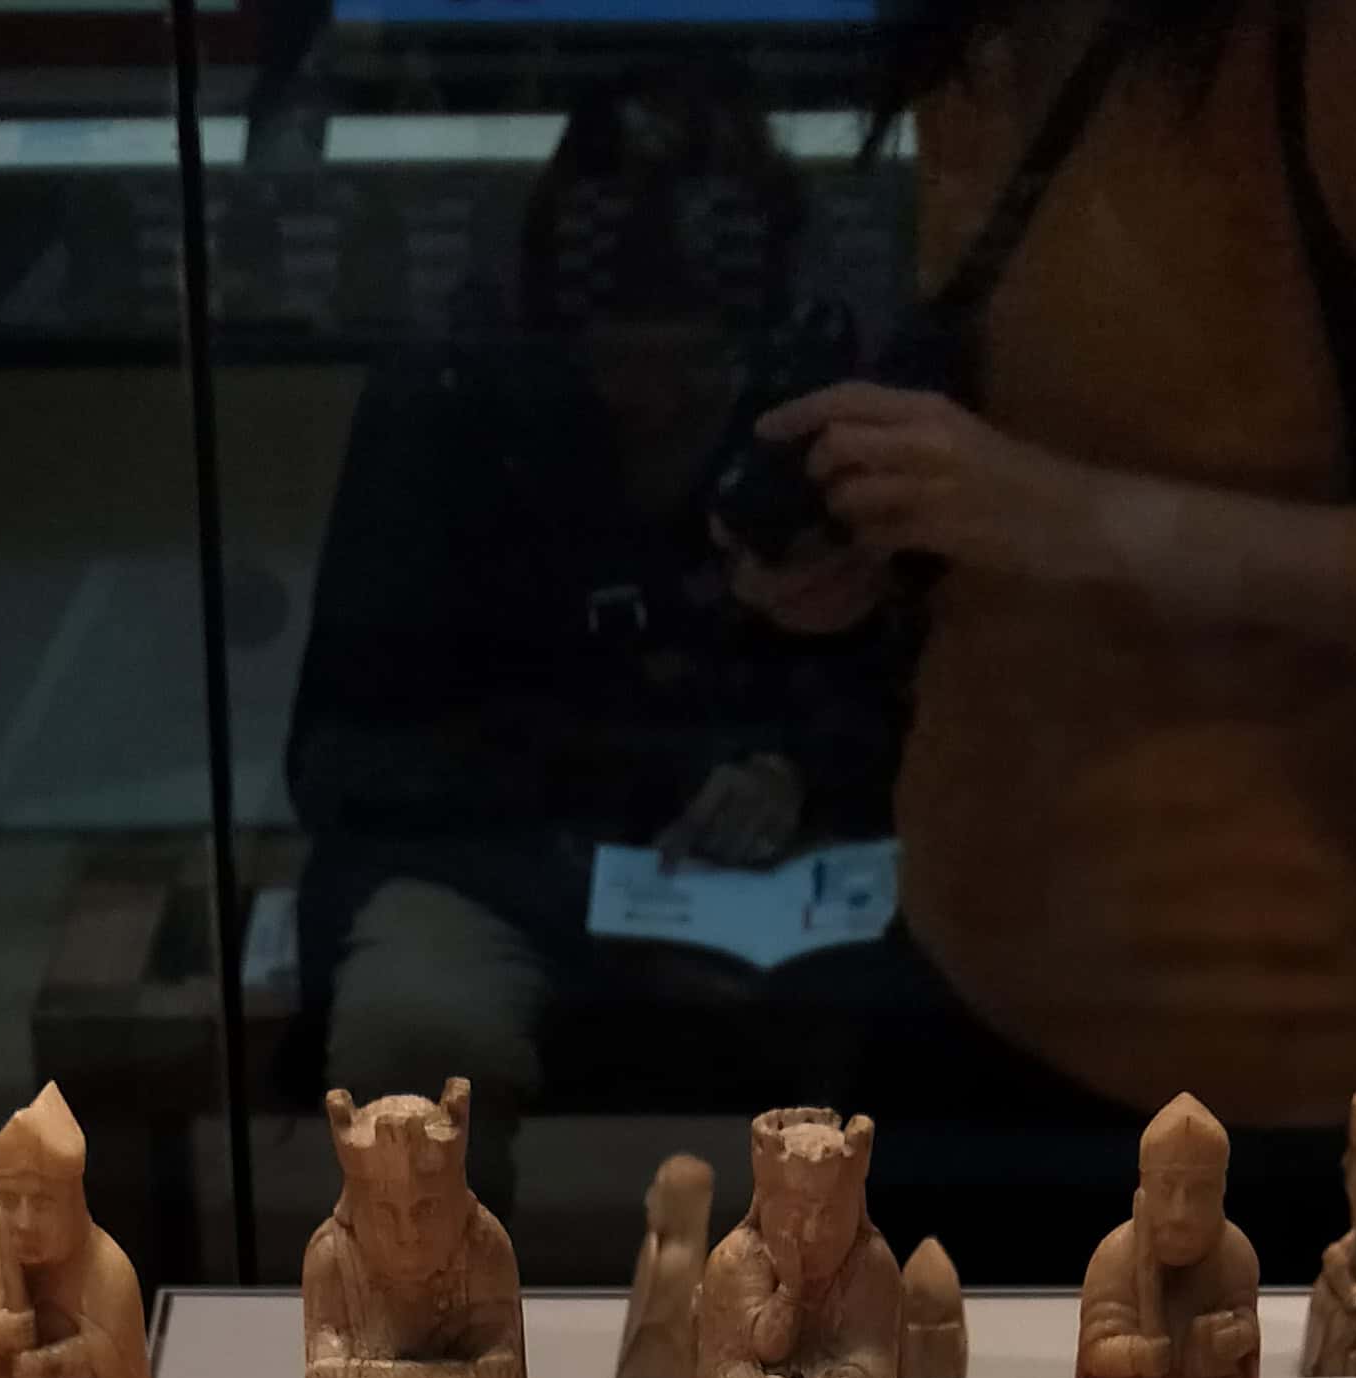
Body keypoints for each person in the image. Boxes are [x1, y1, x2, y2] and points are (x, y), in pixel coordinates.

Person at [741, 0, 1356, 1274]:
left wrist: (1064, 515)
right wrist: (890, 541)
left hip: (1244, 1039)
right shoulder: (993, 31)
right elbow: (1051, 436)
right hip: (959, 941)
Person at [285, 75, 902, 1212]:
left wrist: (796, 772)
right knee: (415, 1045)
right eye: (618, 364)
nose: (656, 403)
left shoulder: (813, 396)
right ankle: (425, 1309)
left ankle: (862, 1310)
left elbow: (903, 692)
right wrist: (623, 820)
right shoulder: (450, 401)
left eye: (695, 369)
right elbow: (346, 755)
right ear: (555, 327)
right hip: (490, 859)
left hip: (773, 876)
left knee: (931, 1017)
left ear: (753, 334)